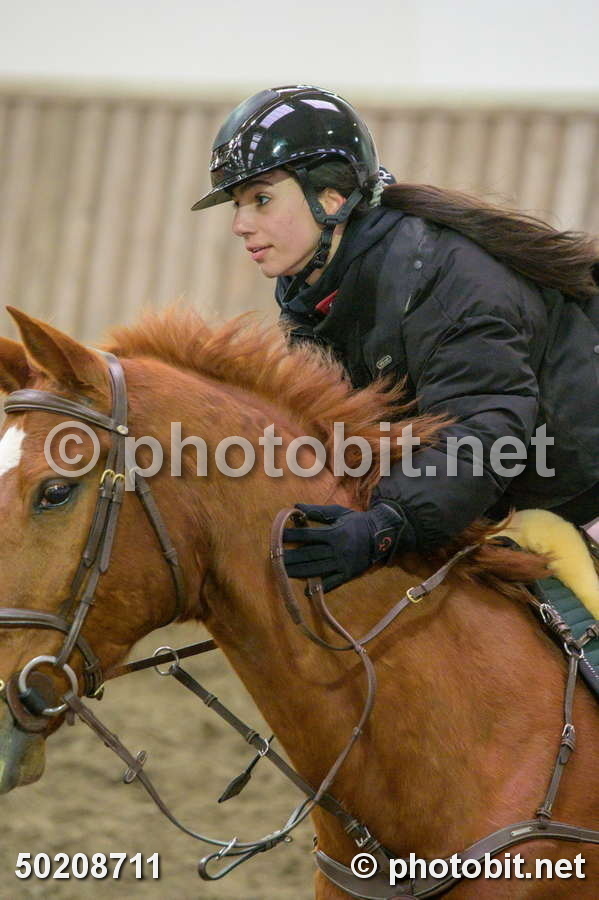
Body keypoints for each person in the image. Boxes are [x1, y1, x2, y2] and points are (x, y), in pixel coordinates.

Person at [192, 85, 599, 593]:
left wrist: (387, 526)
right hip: (512, 501)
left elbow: (485, 427)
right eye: (237, 205)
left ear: (331, 197)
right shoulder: (311, 297)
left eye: (262, 199)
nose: (239, 225)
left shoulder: (445, 278)